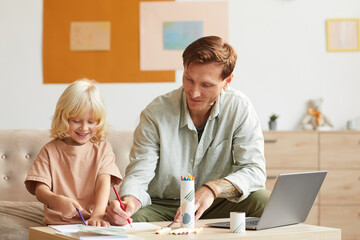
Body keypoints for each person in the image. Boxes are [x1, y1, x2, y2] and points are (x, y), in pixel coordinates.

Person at [106, 36, 270, 226]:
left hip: (216, 203)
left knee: (264, 200)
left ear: (227, 81)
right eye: (189, 79)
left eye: (206, 85)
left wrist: (212, 189)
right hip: (164, 205)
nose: (194, 92)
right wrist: (130, 203)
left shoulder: (240, 108)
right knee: (125, 222)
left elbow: (254, 170)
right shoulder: (155, 113)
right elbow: (140, 173)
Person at [25, 79, 122, 227]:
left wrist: (98, 215)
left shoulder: (103, 149)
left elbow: (104, 183)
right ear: (63, 118)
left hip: (95, 223)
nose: (84, 128)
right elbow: (40, 190)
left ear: (99, 122)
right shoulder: (49, 151)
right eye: (76, 121)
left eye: (91, 122)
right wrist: (56, 200)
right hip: (57, 224)